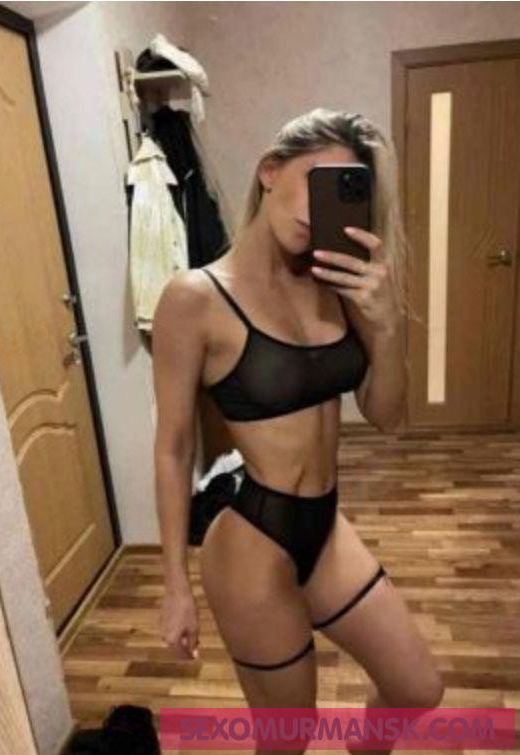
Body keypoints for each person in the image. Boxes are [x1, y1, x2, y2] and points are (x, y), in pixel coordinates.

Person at [152, 108, 444, 751]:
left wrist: (388, 326)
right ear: (270, 170)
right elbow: (173, 448)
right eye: (315, 180)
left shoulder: (336, 283)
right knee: (289, 736)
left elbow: (386, 416)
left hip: (326, 526)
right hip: (251, 544)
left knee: (418, 688)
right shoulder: (195, 298)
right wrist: (175, 586)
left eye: (341, 190)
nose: (319, 208)